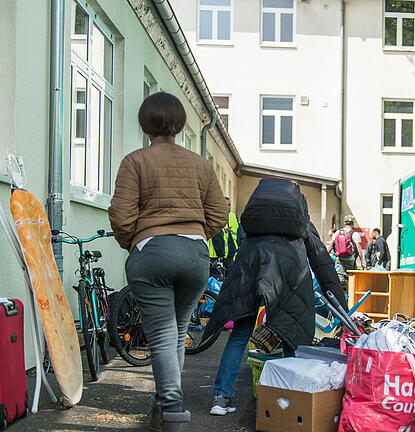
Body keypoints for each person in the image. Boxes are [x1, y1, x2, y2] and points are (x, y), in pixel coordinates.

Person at [108, 92, 228, 432]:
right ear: (180, 125)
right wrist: (196, 235)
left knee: (161, 334)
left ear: (145, 124)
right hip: (194, 256)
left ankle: (172, 407)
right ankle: (163, 405)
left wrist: (133, 243)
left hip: (152, 253)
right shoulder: (201, 165)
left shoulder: (135, 161)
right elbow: (219, 213)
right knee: (176, 333)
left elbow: (121, 214)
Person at [205, 179, 346, 416]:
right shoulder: (302, 224)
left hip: (249, 275)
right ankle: (289, 401)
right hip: (289, 281)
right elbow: (322, 264)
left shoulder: (254, 223)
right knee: (292, 338)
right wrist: (342, 307)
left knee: (240, 335)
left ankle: (221, 397)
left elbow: (240, 245)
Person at [330, 215, 363, 289]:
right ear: (352, 223)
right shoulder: (354, 234)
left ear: (345, 223)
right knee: (351, 277)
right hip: (350, 260)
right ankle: (350, 293)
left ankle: (343, 293)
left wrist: (326, 254)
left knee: (341, 277)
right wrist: (362, 261)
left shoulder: (338, 232)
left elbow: (331, 245)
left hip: (340, 259)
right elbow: (358, 248)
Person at [208, 197, 240, 270]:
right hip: (217, 255)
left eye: (229, 205)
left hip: (231, 254)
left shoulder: (233, 217)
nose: (228, 207)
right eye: (226, 205)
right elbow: (217, 237)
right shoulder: (216, 217)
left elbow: (239, 234)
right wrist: (221, 254)